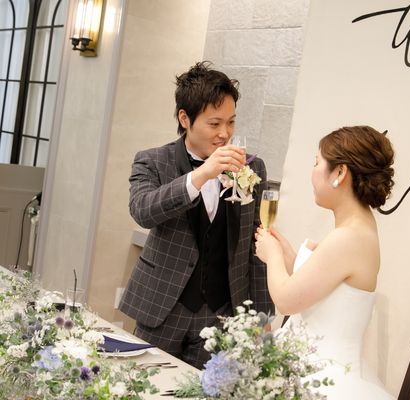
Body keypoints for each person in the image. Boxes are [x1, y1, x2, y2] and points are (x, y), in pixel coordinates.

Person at [119, 61, 272, 369]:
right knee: (143, 382)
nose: (224, 134)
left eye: (231, 122)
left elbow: (253, 245)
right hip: (163, 306)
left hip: (221, 314)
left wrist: (261, 315)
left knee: (204, 388)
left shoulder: (251, 168)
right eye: (214, 124)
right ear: (184, 118)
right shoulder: (153, 161)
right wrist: (202, 174)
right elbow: (143, 210)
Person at [255, 125, 395, 399]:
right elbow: (329, 289)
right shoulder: (357, 226)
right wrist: (288, 256)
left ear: (340, 173)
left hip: (324, 379)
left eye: (316, 162)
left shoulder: (349, 237)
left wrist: (272, 257)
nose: (312, 172)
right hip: (309, 365)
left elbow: (286, 302)